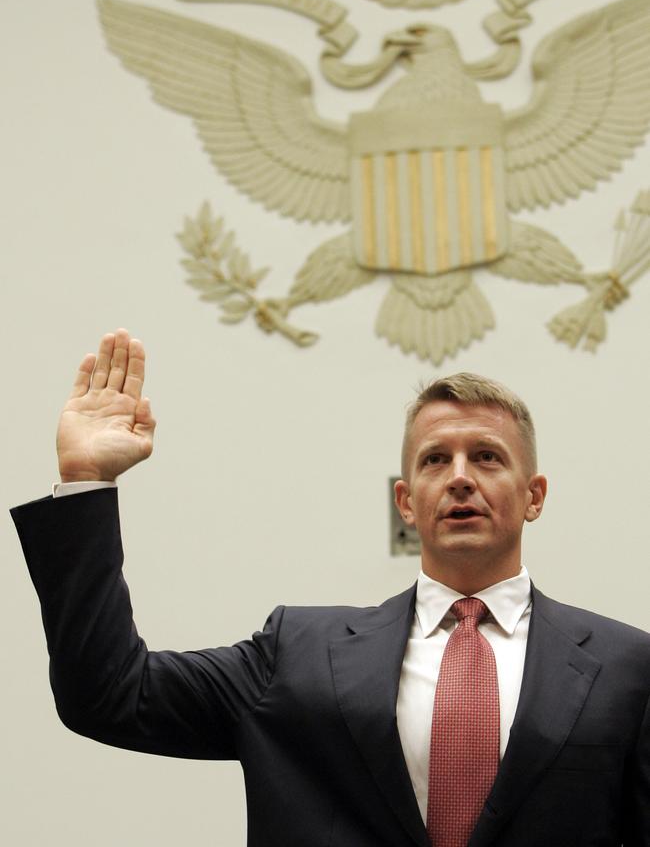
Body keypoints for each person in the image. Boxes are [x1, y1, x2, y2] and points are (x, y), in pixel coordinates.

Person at [11, 328, 650, 847]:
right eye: (434, 459)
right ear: (406, 501)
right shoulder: (298, 652)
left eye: (486, 457)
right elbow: (109, 695)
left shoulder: (627, 668)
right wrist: (86, 479)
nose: (459, 477)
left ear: (534, 495)